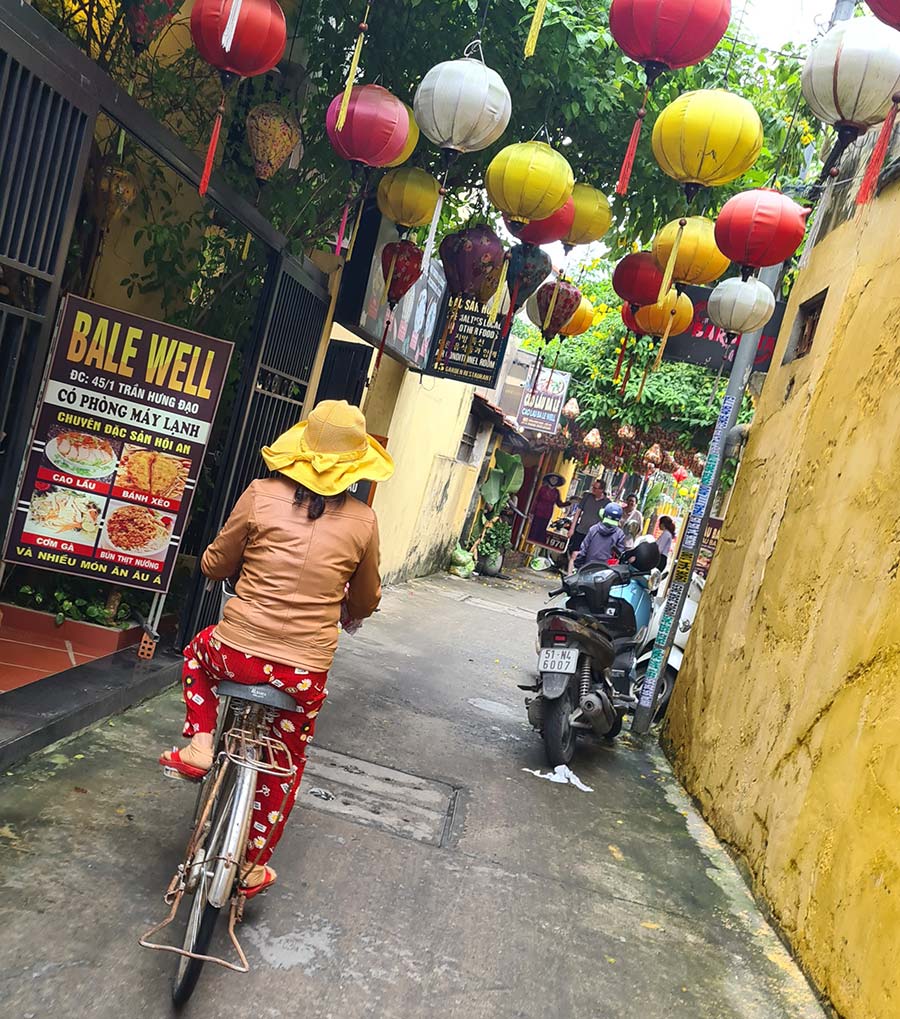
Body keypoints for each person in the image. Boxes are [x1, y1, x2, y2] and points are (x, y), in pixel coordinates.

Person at [159, 400, 394, 898]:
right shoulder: (364, 521)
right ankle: (250, 866)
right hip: (302, 675)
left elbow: (216, 564)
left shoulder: (261, 494)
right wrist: (346, 600)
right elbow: (368, 599)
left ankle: (201, 743)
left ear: (301, 451)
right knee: (286, 760)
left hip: (236, 651)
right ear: (354, 465)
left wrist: (213, 563)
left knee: (197, 656)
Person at [567, 478, 609, 572]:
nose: (593, 490)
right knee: (574, 554)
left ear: (601, 490)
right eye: (593, 487)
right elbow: (578, 512)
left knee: (588, 557)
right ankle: (569, 575)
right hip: (581, 530)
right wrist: (572, 528)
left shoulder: (607, 503)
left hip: (594, 535)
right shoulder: (587, 497)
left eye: (595, 488)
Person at [574, 503, 627, 569]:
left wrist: (578, 566)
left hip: (588, 568)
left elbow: (583, 550)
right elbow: (619, 555)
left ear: (603, 514)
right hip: (606, 573)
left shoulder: (594, 529)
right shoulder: (620, 534)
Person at [527, 473, 570, 546]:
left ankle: (537, 547)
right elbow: (536, 500)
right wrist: (531, 513)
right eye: (552, 478)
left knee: (542, 532)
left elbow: (559, 504)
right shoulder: (542, 488)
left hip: (547, 514)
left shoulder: (556, 492)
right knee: (533, 531)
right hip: (538, 512)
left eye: (556, 479)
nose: (554, 480)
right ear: (549, 479)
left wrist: (569, 503)